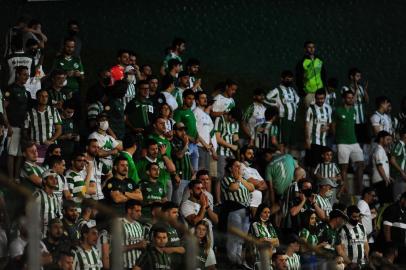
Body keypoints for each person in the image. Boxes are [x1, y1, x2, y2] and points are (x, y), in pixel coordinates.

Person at [221, 159, 254, 266]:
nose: (239, 168)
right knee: (234, 238)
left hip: (245, 211)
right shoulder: (226, 179)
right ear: (230, 168)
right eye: (236, 166)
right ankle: (232, 261)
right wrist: (239, 179)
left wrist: (240, 178)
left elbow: (252, 188)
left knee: (241, 239)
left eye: (240, 166)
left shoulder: (242, 179)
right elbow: (233, 188)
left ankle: (238, 261)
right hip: (234, 210)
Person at [332, 90, 365, 196]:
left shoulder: (354, 110)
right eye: (349, 98)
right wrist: (336, 138)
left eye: (352, 97)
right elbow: (333, 125)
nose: (351, 99)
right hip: (342, 143)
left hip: (354, 142)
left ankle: (359, 189)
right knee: (344, 167)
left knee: (360, 164)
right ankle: (344, 189)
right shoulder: (337, 111)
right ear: (344, 99)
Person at [4, 66, 32, 182]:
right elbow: (3, 108)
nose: (26, 77)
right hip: (12, 126)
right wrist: (8, 125)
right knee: (11, 153)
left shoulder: (26, 92)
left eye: (27, 75)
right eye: (24, 74)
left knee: (20, 154)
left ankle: (16, 177)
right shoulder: (10, 89)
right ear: (18, 75)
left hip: (23, 127)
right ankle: (10, 178)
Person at [265, 70, 300, 152]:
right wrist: (277, 104)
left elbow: (297, 100)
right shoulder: (277, 90)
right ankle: (282, 156)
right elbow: (267, 98)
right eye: (287, 79)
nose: (289, 81)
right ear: (282, 79)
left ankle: (288, 158)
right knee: (283, 140)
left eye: (291, 79)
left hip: (293, 118)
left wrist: (295, 106)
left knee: (291, 142)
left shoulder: (292, 90)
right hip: (283, 118)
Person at [24, 89, 62, 162]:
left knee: (51, 167)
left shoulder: (53, 110)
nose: (44, 98)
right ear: (37, 97)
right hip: (36, 147)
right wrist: (30, 141)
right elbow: (25, 130)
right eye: (41, 96)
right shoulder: (29, 113)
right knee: (38, 168)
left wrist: (50, 140)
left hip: (51, 147)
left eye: (46, 96)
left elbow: (59, 129)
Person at [180, 180, 218, 245]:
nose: (201, 191)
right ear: (191, 191)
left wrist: (207, 206)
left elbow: (216, 220)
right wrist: (203, 206)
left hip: (208, 238)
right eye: (198, 188)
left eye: (202, 188)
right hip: (195, 241)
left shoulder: (203, 203)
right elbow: (195, 222)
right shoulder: (186, 205)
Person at [150, 201, 185, 269]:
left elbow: (183, 249)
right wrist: (176, 249)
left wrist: (175, 249)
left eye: (177, 212)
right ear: (166, 213)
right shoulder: (158, 227)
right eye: (174, 212)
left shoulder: (173, 227)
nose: (177, 215)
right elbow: (155, 249)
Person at [305, 89, 332, 169]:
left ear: (325, 98)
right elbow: (306, 125)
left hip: (323, 142)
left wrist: (327, 127)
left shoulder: (327, 109)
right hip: (313, 141)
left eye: (322, 98)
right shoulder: (311, 109)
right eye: (318, 98)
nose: (320, 100)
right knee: (313, 165)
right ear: (315, 98)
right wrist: (307, 140)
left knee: (321, 165)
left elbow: (329, 123)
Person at [214, 107, 241, 188]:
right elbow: (217, 138)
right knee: (220, 176)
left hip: (230, 153)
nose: (234, 121)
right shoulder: (219, 119)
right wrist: (232, 146)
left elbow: (235, 138)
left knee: (235, 173)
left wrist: (238, 147)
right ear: (230, 116)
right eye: (234, 119)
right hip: (220, 152)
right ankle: (218, 200)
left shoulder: (235, 123)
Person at [174, 89, 200, 171]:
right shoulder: (178, 112)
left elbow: (194, 127)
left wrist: (198, 136)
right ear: (183, 98)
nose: (191, 101)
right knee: (187, 170)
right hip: (185, 144)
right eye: (189, 98)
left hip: (194, 144)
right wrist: (189, 138)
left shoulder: (190, 111)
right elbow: (176, 129)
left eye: (193, 99)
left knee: (195, 170)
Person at [342, 68, 369, 146]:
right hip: (353, 120)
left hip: (362, 120)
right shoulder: (345, 88)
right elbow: (350, 102)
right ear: (351, 77)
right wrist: (356, 90)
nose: (359, 78)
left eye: (360, 76)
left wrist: (365, 91)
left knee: (364, 142)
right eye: (357, 76)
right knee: (354, 142)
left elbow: (367, 101)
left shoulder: (361, 87)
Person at [248, 203, 279, 269]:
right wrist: (272, 240)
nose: (267, 214)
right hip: (260, 258)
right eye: (265, 212)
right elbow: (261, 241)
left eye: (269, 212)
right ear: (260, 213)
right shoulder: (255, 224)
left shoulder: (270, 225)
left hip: (271, 259)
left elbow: (277, 242)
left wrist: (267, 240)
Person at [295, 41, 327, 107]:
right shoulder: (302, 62)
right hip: (309, 93)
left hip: (320, 92)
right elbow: (298, 79)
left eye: (313, 47)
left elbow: (324, 74)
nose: (312, 49)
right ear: (305, 49)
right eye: (309, 47)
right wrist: (303, 92)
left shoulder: (319, 60)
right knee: (308, 113)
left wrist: (324, 87)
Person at [239, 145, 267, 216]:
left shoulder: (254, 170)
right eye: (249, 153)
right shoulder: (240, 167)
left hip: (258, 205)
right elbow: (254, 183)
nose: (252, 156)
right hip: (249, 204)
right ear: (242, 155)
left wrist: (255, 184)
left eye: (253, 154)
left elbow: (265, 186)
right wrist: (258, 183)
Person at [120, 200, 148, 269]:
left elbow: (142, 245)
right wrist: (136, 245)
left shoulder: (139, 225)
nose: (140, 214)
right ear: (129, 210)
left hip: (138, 267)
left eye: (140, 211)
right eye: (137, 211)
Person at [193, 91, 217, 171]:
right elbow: (194, 131)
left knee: (206, 174)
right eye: (202, 98)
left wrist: (211, 147)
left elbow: (209, 133)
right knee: (199, 173)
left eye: (205, 98)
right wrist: (205, 144)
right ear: (196, 101)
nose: (205, 99)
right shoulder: (195, 112)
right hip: (199, 147)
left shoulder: (207, 116)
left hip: (207, 149)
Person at [34, 170, 63, 235]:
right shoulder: (37, 195)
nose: (54, 180)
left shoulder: (55, 197)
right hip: (40, 233)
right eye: (51, 178)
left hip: (53, 233)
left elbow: (58, 215)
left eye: (55, 178)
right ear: (44, 181)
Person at [171, 122, 193, 204]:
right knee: (177, 203)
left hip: (188, 178)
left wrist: (193, 173)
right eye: (180, 130)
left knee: (185, 204)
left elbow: (187, 159)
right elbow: (179, 155)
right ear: (174, 131)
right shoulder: (172, 142)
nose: (183, 132)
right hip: (179, 179)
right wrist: (186, 144)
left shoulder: (183, 142)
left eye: (184, 130)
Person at [381, 192, 406, 265]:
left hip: (402, 247)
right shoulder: (392, 209)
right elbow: (386, 227)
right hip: (393, 248)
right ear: (403, 199)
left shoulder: (404, 212)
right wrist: (390, 245)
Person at [371, 131, 393, 204]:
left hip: (383, 180)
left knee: (387, 202)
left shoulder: (382, 150)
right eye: (387, 139)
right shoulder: (379, 150)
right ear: (381, 139)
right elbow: (379, 166)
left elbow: (384, 166)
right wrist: (386, 179)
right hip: (380, 181)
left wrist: (388, 177)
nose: (389, 142)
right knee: (383, 203)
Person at [390, 129, 406, 200]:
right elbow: (392, 160)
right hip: (399, 176)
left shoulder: (403, 146)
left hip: (402, 177)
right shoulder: (399, 144)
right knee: (399, 199)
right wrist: (401, 171)